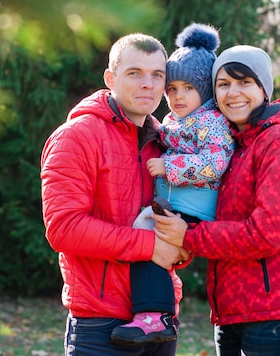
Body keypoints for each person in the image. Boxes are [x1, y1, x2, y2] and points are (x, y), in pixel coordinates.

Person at [153, 45, 280, 356]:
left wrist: (190, 236)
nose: (233, 93)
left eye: (245, 82)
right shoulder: (235, 144)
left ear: (264, 89)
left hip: (274, 313)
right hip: (232, 309)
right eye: (223, 84)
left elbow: (266, 233)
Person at [40, 32, 189, 356]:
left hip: (161, 315)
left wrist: (182, 245)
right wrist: (151, 247)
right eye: (134, 73)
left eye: (157, 75)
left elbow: (182, 216)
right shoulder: (76, 138)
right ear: (111, 78)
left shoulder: (169, 144)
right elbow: (64, 228)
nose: (147, 84)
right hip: (99, 321)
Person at [111, 23, 235, 346]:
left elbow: (215, 163)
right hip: (174, 204)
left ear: (205, 90)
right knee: (144, 240)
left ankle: (157, 315)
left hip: (194, 208)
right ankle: (151, 312)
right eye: (173, 89)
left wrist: (168, 165)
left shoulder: (212, 122)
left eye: (188, 89)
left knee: (150, 244)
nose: (178, 97)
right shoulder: (174, 121)